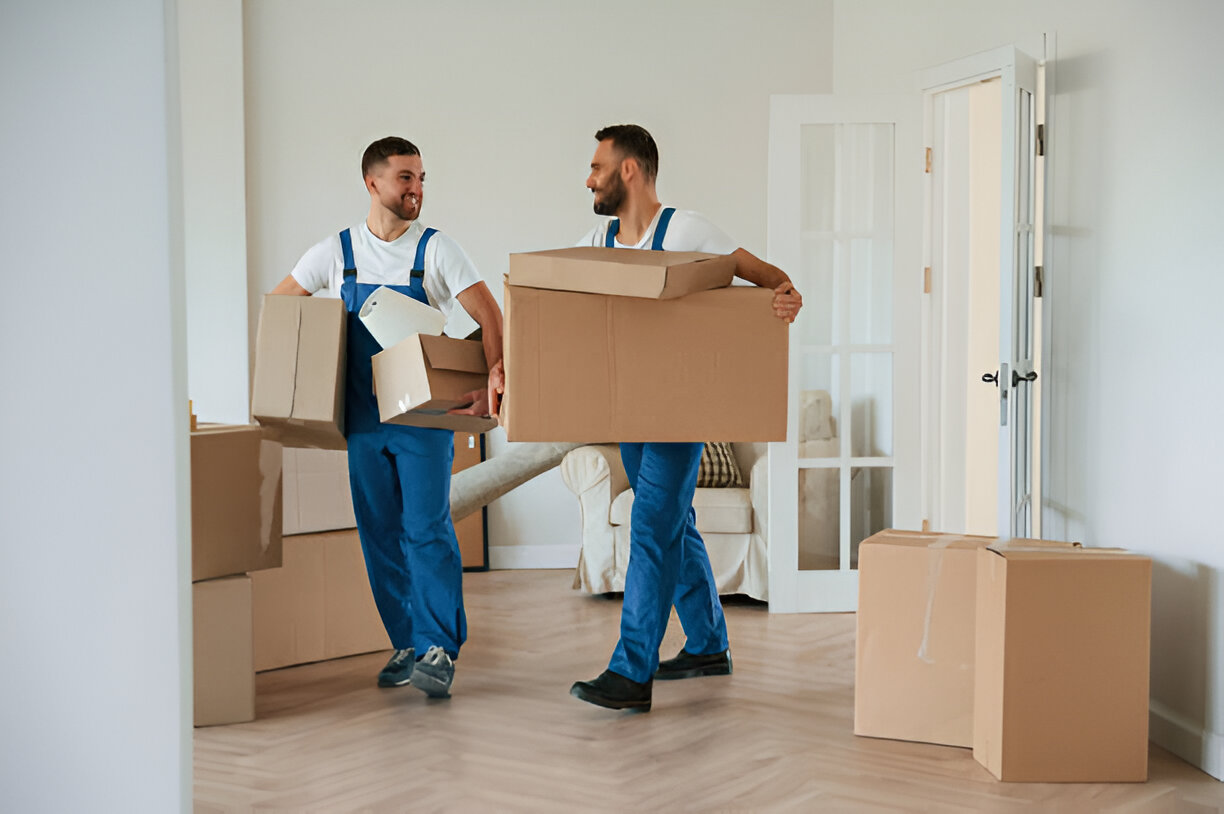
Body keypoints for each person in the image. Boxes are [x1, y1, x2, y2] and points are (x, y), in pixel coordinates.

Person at [568, 124, 802, 711]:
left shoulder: (688, 230)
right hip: (631, 410)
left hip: (681, 409)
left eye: (598, 166)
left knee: (650, 526)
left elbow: (768, 277)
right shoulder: (596, 240)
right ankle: (707, 644)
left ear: (629, 170)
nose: (589, 177)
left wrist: (785, 295)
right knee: (676, 524)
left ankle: (631, 671)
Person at [270, 137, 503, 699]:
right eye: (405, 178)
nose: (417, 188)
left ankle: (439, 648)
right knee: (379, 533)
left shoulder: (437, 250)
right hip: (363, 419)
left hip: (423, 418)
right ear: (372, 184)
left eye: (421, 177)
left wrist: (496, 370)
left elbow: (487, 311)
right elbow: (281, 307)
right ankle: (406, 641)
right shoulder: (336, 252)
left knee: (426, 529)